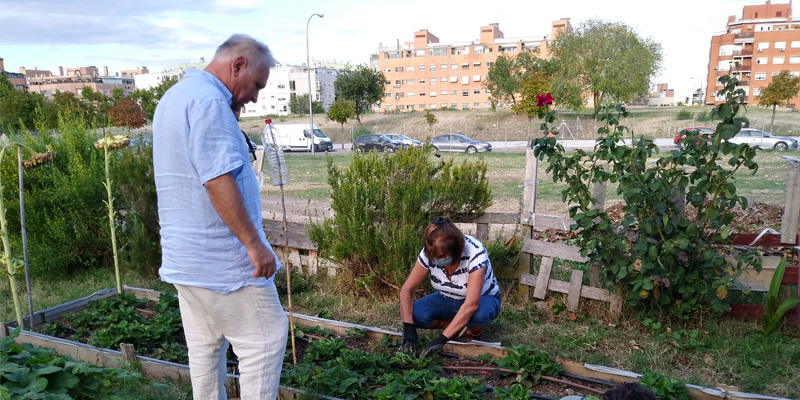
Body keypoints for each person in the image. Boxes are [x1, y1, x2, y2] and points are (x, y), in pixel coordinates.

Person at [153, 34, 288, 400]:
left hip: (186, 262)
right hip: (223, 265)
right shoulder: (210, 102)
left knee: (205, 349)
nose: (256, 96)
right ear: (238, 65)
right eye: (256, 84)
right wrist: (255, 245)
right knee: (266, 337)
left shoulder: (175, 97)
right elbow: (217, 180)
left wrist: (229, 113)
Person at [399, 217, 502, 358]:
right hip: (447, 297)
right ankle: (461, 328)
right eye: (434, 257)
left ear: (456, 251)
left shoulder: (475, 253)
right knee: (415, 315)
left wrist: (442, 339)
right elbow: (406, 290)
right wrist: (408, 328)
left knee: (478, 316)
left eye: (442, 257)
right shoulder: (429, 253)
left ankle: (475, 330)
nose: (437, 261)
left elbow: (471, 304)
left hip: (483, 298)